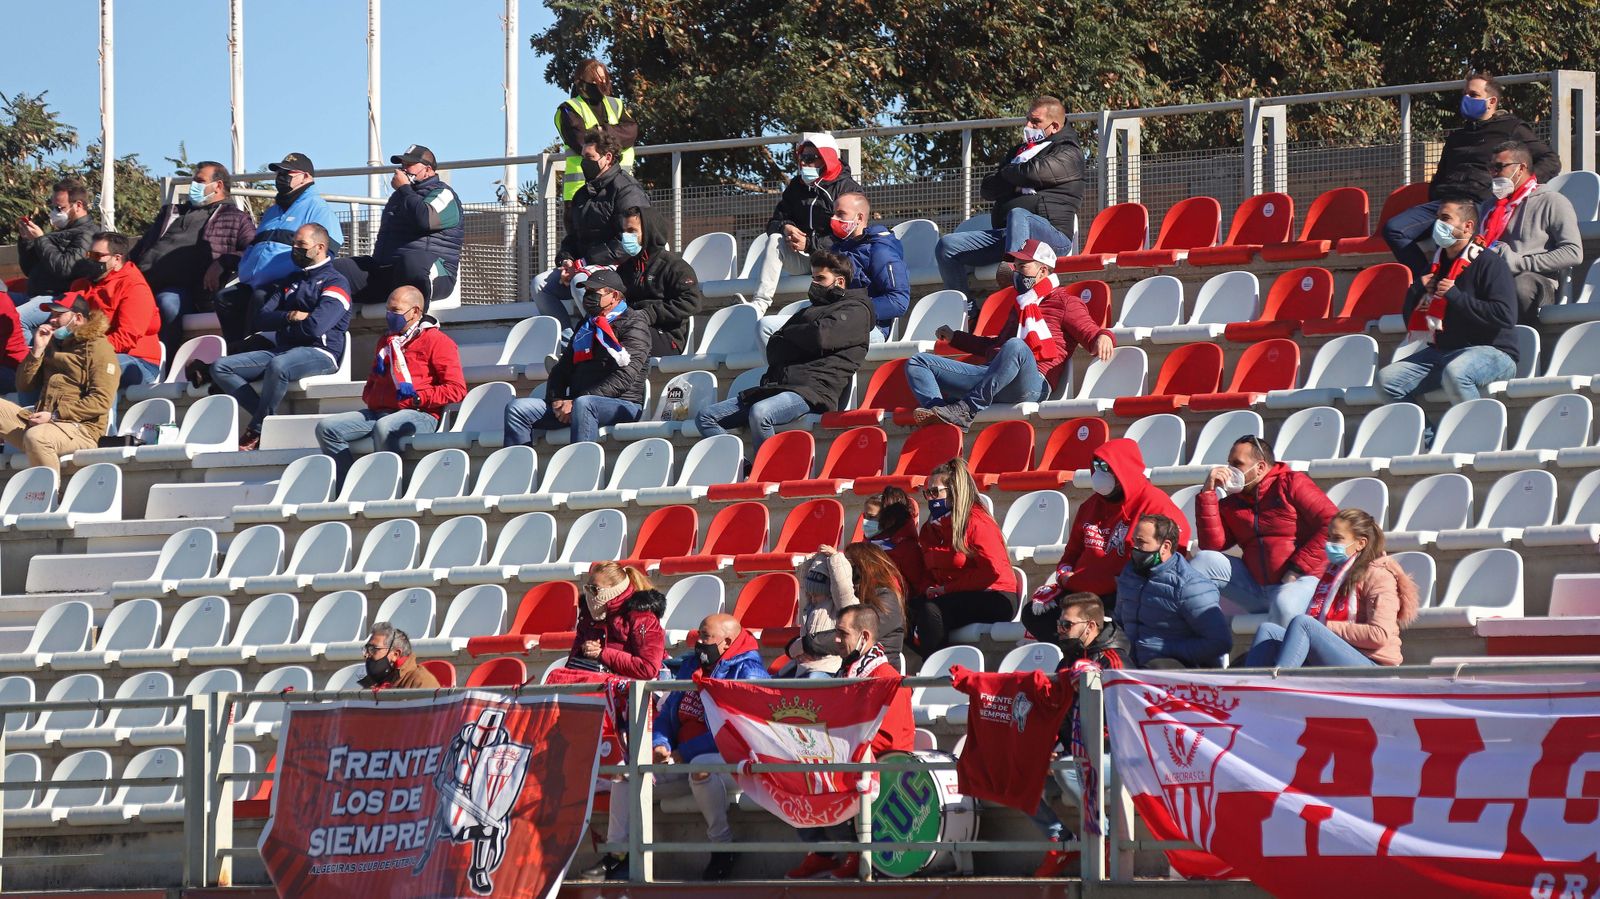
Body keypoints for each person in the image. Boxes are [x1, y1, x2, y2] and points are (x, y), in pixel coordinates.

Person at [590, 612, 767, 882]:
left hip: (732, 760)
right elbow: (668, 713)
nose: (699, 642)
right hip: (681, 758)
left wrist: (684, 752)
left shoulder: (748, 673)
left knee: (700, 767)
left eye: (706, 637)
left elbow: (736, 731)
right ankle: (617, 854)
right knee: (625, 773)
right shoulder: (691, 666)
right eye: (699, 634)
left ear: (727, 642)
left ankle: (723, 848)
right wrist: (660, 744)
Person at [907, 239, 1113, 430]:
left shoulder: (1065, 302)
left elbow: (1090, 332)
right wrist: (956, 338)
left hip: (1032, 383)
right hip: (995, 376)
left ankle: (966, 409)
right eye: (1015, 266)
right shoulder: (1021, 304)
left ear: (1042, 271)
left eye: (1022, 266)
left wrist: (1104, 336)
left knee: (1016, 345)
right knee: (918, 362)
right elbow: (995, 346)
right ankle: (941, 416)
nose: (1015, 272)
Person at [1382, 73, 1561, 277]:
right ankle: (1428, 279)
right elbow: (1440, 176)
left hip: (1481, 203)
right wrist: (1440, 201)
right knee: (1395, 229)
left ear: (1491, 101)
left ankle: (1457, 281)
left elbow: (1550, 160)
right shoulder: (1457, 137)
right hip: (1446, 203)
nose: (1466, 99)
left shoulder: (1511, 128)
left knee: (1458, 235)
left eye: (1474, 95)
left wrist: (1516, 186)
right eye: (1465, 94)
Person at [696, 250, 873, 452]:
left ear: (840, 282)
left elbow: (820, 337)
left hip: (813, 391)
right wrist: (800, 339)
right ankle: (744, 466)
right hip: (779, 386)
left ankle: (769, 467)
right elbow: (774, 348)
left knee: (760, 413)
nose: (814, 284)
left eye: (820, 278)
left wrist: (791, 336)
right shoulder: (807, 311)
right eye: (813, 278)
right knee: (706, 417)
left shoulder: (856, 311)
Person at [786, 603, 913, 880]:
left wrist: (837, 750)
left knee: (820, 773)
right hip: (852, 757)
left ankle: (857, 852)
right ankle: (822, 852)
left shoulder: (886, 679)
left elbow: (889, 740)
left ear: (864, 637)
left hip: (882, 765)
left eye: (842, 634)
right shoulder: (849, 674)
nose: (836, 640)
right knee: (790, 768)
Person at [1023, 438, 1190, 638]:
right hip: (1082, 592)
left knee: (1112, 619)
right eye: (1096, 466)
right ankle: (1077, 651)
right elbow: (1071, 553)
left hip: (1123, 593)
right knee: (1034, 614)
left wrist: (1103, 583)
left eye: (1106, 467)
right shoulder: (1089, 506)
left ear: (1124, 468)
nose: (1099, 473)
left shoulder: (1155, 504)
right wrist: (1064, 575)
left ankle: (1096, 650)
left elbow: (1169, 555)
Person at [209, 223, 352, 450]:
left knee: (279, 365)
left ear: (320, 247)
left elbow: (315, 328)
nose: (295, 249)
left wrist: (284, 326)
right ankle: (267, 420)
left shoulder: (336, 282)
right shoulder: (291, 280)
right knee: (220, 367)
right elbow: (260, 318)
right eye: (293, 244)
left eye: (301, 244)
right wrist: (291, 316)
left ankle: (256, 429)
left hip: (321, 353)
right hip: (284, 350)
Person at [314, 286, 467, 486]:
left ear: (415, 312)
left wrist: (418, 398)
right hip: (380, 412)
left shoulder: (437, 341)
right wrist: (371, 396)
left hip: (420, 413)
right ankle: (350, 485)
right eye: (388, 310)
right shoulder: (386, 341)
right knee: (327, 428)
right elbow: (373, 377)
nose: (389, 315)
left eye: (395, 310)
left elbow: (456, 389)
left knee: (385, 427)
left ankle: (386, 487)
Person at [1375, 198, 1519, 405]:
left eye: (1445, 218)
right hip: (1444, 351)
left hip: (1494, 352)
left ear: (1467, 226)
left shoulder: (1489, 263)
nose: (1437, 225)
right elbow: (1412, 323)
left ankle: (1472, 426)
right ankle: (1429, 429)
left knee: (1456, 373)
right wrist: (1416, 289)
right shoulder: (1435, 267)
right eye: (1437, 218)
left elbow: (1505, 316)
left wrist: (1456, 297)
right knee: (1386, 381)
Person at [935, 96, 1084, 292]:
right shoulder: (1019, 152)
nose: (1028, 125)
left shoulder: (1069, 152)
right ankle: (966, 307)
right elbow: (988, 188)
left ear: (1055, 126)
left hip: (1052, 239)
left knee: (1019, 214)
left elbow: (1033, 172)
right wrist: (1015, 179)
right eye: (1028, 119)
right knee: (947, 246)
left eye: (1035, 121)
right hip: (1008, 236)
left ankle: (1014, 275)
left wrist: (1008, 174)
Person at [1026, 591, 1128, 877]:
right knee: (1013, 770)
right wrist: (1048, 748)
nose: (1060, 630)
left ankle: (1106, 839)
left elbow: (1120, 723)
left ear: (1090, 626)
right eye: (1060, 624)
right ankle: (1059, 839)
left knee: (1070, 769)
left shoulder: (1114, 661)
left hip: (1117, 756)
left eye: (1066, 625)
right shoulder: (1067, 661)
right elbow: (1055, 710)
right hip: (1078, 752)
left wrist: (1070, 752)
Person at [1192, 435, 1338, 625]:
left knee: (1284, 606)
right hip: (1257, 588)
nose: (1229, 471)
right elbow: (1211, 545)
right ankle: (1204, 635)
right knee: (1203, 561)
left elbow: (1333, 524)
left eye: (1237, 464)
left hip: (1299, 582)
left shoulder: (1292, 483)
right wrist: (1207, 494)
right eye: (1229, 464)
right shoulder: (1231, 503)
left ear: (1260, 467)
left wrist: (1297, 569)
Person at [1245, 509, 1419, 668]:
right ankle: (1247, 688)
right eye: (1329, 537)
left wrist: (1326, 627)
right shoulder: (1333, 574)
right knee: (1268, 630)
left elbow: (1378, 635)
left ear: (1360, 543)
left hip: (1373, 665)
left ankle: (1280, 684)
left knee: (1304, 624)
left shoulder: (1380, 577)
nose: (1329, 544)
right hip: (1342, 652)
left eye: (1337, 538)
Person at [504, 269, 650, 446]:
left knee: (584, 404)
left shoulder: (634, 324)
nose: (588, 297)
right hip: (578, 403)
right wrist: (556, 399)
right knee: (517, 409)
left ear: (614, 296)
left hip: (622, 404)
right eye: (586, 291)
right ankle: (519, 462)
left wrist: (576, 401)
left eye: (594, 292)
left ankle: (581, 462)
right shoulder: (587, 325)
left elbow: (625, 376)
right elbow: (562, 368)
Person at [215, 152, 344, 350]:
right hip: (253, 282)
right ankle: (235, 350)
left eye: (287, 173)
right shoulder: (273, 212)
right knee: (225, 298)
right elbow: (255, 245)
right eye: (279, 173)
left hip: (287, 284)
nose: (280, 178)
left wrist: (300, 279)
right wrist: (245, 268)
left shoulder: (318, 209)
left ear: (306, 177)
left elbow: (327, 251)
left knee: (261, 298)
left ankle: (253, 351)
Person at [131, 160, 257, 356]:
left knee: (167, 304)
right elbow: (140, 249)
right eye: (193, 181)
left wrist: (223, 262)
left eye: (199, 181)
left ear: (218, 186)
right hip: (140, 282)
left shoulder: (235, 218)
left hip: (185, 291)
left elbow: (254, 251)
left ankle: (161, 364)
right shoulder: (171, 213)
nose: (193, 186)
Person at [533, 131, 651, 329]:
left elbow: (631, 241)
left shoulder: (627, 190)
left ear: (608, 158)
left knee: (581, 282)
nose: (584, 163)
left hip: (622, 268)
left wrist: (583, 263)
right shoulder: (582, 194)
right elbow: (573, 237)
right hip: (586, 266)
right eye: (583, 157)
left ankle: (604, 339)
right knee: (540, 285)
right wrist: (566, 260)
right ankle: (570, 342)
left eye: (590, 157)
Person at [760, 192, 907, 343]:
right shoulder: (837, 248)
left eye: (841, 214)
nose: (834, 219)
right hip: (830, 318)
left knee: (816, 336)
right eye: (834, 214)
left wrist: (851, 311)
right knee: (766, 326)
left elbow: (898, 301)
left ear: (859, 217)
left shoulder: (881, 250)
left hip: (870, 327)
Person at [28, 232, 162, 389]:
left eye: (97, 256)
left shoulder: (134, 287)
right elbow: (66, 323)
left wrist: (85, 352)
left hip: (138, 362)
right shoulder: (80, 285)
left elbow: (126, 338)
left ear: (116, 259)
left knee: (93, 368)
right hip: (85, 355)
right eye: (89, 254)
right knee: (35, 371)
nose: (91, 259)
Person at [912, 458, 1018, 655]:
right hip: (953, 594)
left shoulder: (977, 522)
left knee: (932, 611)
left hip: (994, 595)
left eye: (935, 492)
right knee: (902, 612)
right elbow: (929, 570)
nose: (930, 498)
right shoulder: (930, 528)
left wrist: (946, 589)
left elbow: (990, 572)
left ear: (954, 492)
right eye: (928, 493)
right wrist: (928, 589)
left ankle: (937, 668)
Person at [0, 296, 116, 474]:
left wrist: (54, 415)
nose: (52, 320)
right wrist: (37, 351)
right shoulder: (51, 344)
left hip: (82, 430)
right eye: (51, 315)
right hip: (43, 423)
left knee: (37, 438)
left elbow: (101, 401)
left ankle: (49, 491)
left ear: (78, 318)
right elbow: (24, 385)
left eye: (58, 315)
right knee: (32, 433)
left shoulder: (99, 348)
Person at [750, 132, 864, 316]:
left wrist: (810, 243)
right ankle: (758, 306)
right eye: (802, 157)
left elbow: (849, 233)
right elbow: (774, 222)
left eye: (810, 158)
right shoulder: (797, 185)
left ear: (827, 159)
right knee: (775, 239)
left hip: (836, 261)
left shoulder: (847, 189)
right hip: (805, 259)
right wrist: (786, 227)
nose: (804, 163)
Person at [337, 144, 463, 307]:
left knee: (412, 261)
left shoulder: (444, 194)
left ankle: (417, 319)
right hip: (391, 272)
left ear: (428, 170)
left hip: (433, 274)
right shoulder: (399, 197)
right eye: (402, 165)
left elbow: (425, 219)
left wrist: (404, 188)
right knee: (338, 269)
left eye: (409, 165)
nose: (403, 169)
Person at [1477, 140, 1582, 325]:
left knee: (1520, 286)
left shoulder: (1552, 201)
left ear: (1521, 168)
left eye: (1499, 167)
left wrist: (1520, 263)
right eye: (1491, 168)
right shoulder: (1488, 207)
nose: (1493, 173)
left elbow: (1573, 252)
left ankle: (1519, 340)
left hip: (1535, 280)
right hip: (1492, 277)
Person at [1114, 514, 1230, 669]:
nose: (1134, 548)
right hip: (1132, 666)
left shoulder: (1190, 586)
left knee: (1155, 666)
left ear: (1165, 547)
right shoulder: (1129, 574)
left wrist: (1162, 650)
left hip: (1175, 670)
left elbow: (1219, 642)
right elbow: (1119, 622)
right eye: (1134, 541)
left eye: (1141, 542)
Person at [784, 542, 909, 676]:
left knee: (813, 679)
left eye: (848, 563)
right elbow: (827, 625)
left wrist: (807, 644)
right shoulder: (853, 595)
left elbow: (851, 634)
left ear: (864, 566)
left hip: (875, 673)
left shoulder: (886, 599)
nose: (846, 568)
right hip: (848, 669)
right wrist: (798, 643)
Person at [616, 206, 702, 356]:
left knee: (627, 337)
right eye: (624, 231)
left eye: (631, 231)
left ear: (649, 232)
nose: (625, 236)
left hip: (666, 336)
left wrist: (649, 314)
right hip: (631, 328)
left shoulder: (674, 266)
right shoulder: (625, 268)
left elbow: (691, 302)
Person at [555, 58, 637, 202]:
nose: (600, 83)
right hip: (581, 194)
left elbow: (631, 131)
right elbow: (581, 141)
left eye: (603, 79)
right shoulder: (568, 109)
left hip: (621, 190)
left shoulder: (616, 104)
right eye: (594, 80)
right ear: (580, 82)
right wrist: (614, 133)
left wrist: (600, 130)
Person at [567, 562, 667, 679]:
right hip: (599, 683)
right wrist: (584, 650)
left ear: (614, 590)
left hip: (635, 686)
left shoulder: (643, 617)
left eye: (594, 589)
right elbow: (570, 665)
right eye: (587, 588)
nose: (589, 595)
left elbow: (648, 669)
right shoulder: (587, 616)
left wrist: (603, 654)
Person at [12, 177, 96, 301]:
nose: (54, 213)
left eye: (59, 208)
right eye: (53, 207)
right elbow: (29, 269)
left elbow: (66, 269)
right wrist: (27, 240)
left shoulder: (88, 234)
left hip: (56, 299)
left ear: (78, 205)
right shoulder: (60, 232)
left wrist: (41, 239)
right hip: (33, 294)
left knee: (13, 313)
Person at [869, 486, 928, 599]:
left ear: (890, 519)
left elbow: (918, 587)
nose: (866, 521)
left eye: (871, 517)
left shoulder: (908, 549)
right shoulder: (866, 545)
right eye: (865, 516)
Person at [356, 622, 440, 689]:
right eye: (367, 649)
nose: (367, 655)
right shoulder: (372, 684)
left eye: (373, 649)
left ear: (396, 654)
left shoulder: (421, 682)